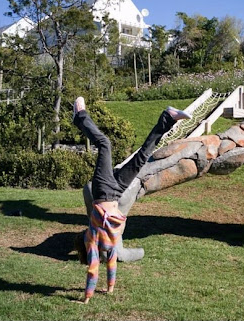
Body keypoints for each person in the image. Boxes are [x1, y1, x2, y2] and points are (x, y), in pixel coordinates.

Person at [72, 96, 192, 304]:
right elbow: (110, 266)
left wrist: (87, 298)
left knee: (104, 144)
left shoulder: (92, 239)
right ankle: (168, 118)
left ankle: (80, 117)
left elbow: (93, 270)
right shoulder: (108, 248)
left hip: (102, 191)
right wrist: (110, 288)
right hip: (116, 193)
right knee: (141, 158)